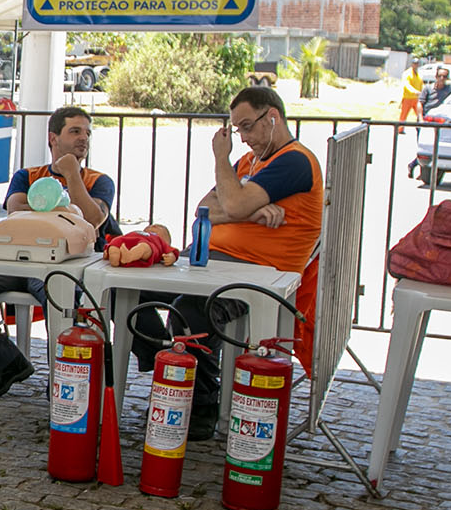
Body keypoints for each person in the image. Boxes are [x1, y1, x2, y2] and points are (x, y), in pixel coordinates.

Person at [132, 87, 322, 441]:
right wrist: (250, 211)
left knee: (190, 310)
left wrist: (222, 158)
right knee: (129, 288)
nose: (243, 138)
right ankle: (167, 360)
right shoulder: (250, 163)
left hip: (257, 272)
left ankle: (202, 402)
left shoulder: (294, 161)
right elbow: (204, 208)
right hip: (210, 259)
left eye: (246, 127)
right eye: (237, 130)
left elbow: (230, 205)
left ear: (272, 118)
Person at [0, 105, 119, 401]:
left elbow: (92, 219)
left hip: (59, 268)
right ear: (53, 138)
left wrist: (72, 175)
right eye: (75, 131)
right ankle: (8, 363)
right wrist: (67, 213)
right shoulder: (28, 175)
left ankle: (61, 379)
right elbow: (15, 210)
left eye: (87, 133)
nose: (83, 138)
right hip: (15, 262)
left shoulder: (99, 181)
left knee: (59, 295)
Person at [408, 67, 451, 178]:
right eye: (440, 76)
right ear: (436, 77)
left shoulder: (449, 89)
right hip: (426, 121)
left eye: (444, 76)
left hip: (439, 122)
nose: (442, 78)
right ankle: (415, 167)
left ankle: (416, 167)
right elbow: (420, 103)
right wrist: (421, 119)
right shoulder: (428, 89)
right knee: (424, 149)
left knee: (434, 148)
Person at [397, 58, 423, 133]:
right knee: (404, 115)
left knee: (420, 114)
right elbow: (406, 84)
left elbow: (421, 84)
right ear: (412, 64)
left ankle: (420, 128)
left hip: (416, 98)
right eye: (414, 63)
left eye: (417, 63)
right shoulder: (407, 73)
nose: (416, 65)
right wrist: (414, 91)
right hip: (408, 97)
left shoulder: (418, 74)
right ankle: (400, 129)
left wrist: (422, 92)